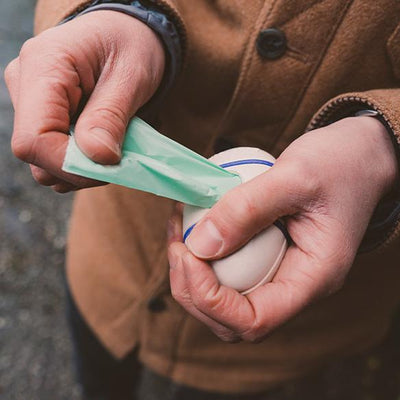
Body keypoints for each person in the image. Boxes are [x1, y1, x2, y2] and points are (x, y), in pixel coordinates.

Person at [5, 0, 400, 398]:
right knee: (97, 378)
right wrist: (115, 14)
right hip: (113, 260)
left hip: (299, 345)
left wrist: (384, 146)